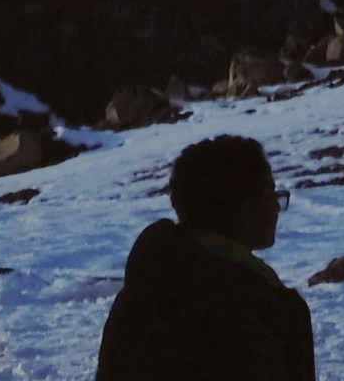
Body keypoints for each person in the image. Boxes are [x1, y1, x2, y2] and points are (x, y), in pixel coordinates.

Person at [95, 131, 316, 381]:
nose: (277, 205)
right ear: (245, 211)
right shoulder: (243, 307)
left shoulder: (151, 282)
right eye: (270, 193)